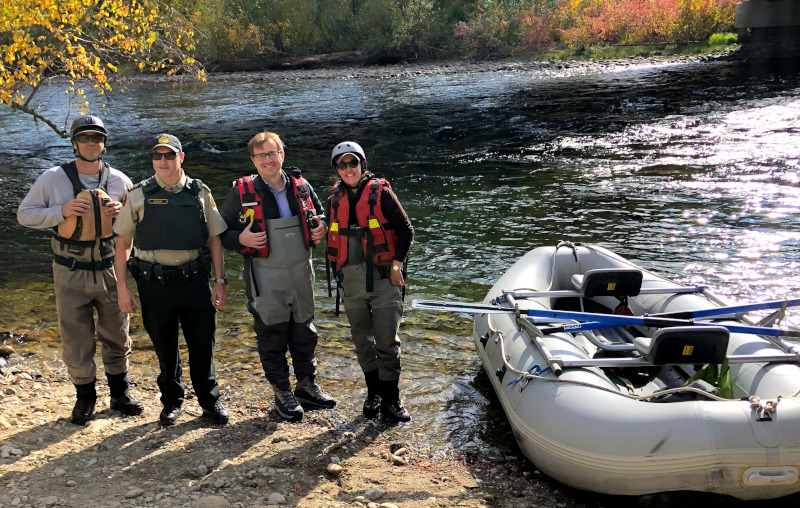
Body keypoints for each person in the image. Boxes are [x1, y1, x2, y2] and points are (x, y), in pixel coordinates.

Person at [17, 115, 144, 425]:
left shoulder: (120, 181)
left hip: (110, 266)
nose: (91, 143)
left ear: (103, 144)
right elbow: (25, 215)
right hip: (69, 268)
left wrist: (121, 214)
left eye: (96, 138)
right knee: (76, 335)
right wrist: (60, 211)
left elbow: (138, 222)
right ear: (74, 144)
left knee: (117, 331)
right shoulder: (52, 178)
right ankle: (84, 397)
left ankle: (120, 393)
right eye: (85, 138)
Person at [113, 133, 230, 426]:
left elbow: (215, 239)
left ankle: (209, 401)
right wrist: (122, 288)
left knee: (203, 343)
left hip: (194, 280)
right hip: (154, 283)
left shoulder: (199, 192)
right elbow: (123, 243)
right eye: (157, 156)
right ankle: (171, 402)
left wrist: (220, 280)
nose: (163, 161)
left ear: (181, 157)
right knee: (164, 347)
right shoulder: (138, 193)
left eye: (169, 155)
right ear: (152, 159)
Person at [219, 131, 335, 422]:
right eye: (261, 156)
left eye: (273, 153)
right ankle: (282, 390)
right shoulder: (240, 192)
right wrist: (240, 238)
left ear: (282, 154)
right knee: (271, 333)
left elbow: (320, 215)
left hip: (300, 270)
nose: (268, 160)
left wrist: (321, 226)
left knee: (305, 329)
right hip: (264, 273)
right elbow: (220, 232)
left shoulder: (302, 185)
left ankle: (307, 385)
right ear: (253, 160)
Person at [325, 141, 414, 422]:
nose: (348, 169)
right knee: (362, 341)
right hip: (350, 283)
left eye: (353, 163)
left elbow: (406, 231)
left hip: (384, 278)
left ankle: (392, 399)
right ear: (336, 169)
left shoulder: (382, 193)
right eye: (342, 164)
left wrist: (397, 265)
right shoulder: (333, 200)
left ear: (362, 165)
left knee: (387, 342)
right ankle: (373, 393)